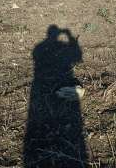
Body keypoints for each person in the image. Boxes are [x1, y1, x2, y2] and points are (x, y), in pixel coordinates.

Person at [23, 25, 87, 167]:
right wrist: (71, 39)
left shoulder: (39, 48)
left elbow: (76, 57)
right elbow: (77, 56)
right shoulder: (43, 48)